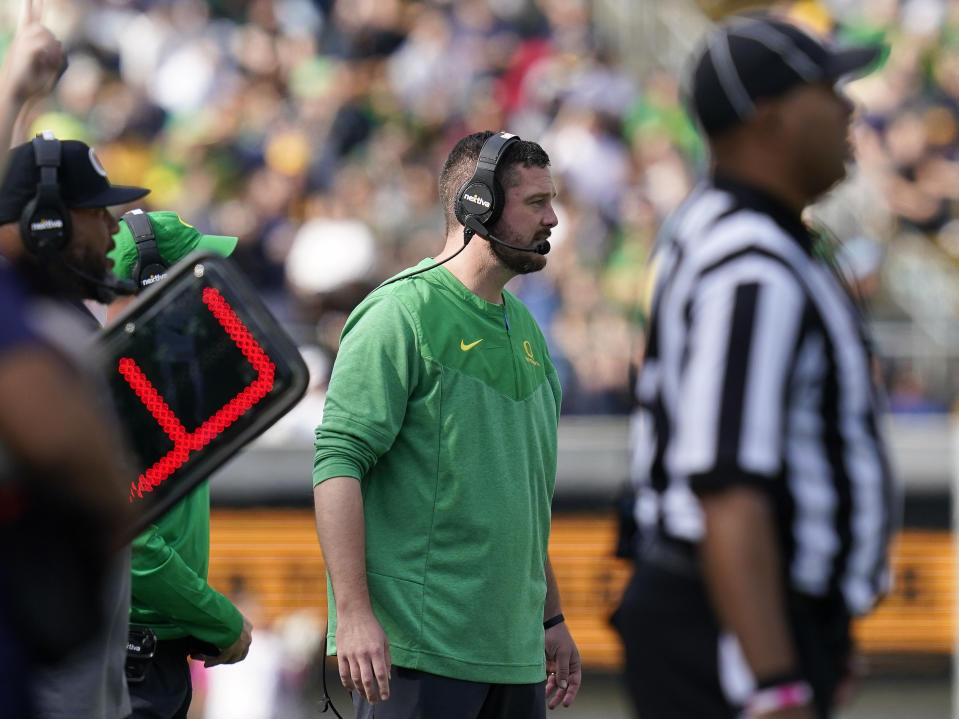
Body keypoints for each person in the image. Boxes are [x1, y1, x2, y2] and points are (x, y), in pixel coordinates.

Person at [613, 14, 899, 719]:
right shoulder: (748, 263)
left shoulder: (738, 233)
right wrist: (769, 675)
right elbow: (725, 481)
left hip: (740, 617)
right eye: (825, 88)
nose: (847, 106)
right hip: (723, 628)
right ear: (768, 119)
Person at [312, 130, 581, 719]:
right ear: (476, 205)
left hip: (515, 657)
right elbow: (337, 463)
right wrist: (353, 614)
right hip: (420, 653)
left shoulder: (530, 332)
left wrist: (551, 617)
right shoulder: (397, 314)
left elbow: (520, 498)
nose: (553, 218)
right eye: (536, 203)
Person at [0, 125, 150, 719]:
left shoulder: (62, 325)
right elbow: (58, 443)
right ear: (48, 224)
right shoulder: (32, 334)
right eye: (97, 213)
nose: (115, 228)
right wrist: (114, 503)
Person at [103, 209, 252, 719]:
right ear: (152, 284)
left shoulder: (151, 378)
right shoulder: (111, 388)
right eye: (200, 274)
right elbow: (133, 545)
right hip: (129, 663)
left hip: (147, 655)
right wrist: (219, 620)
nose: (215, 291)